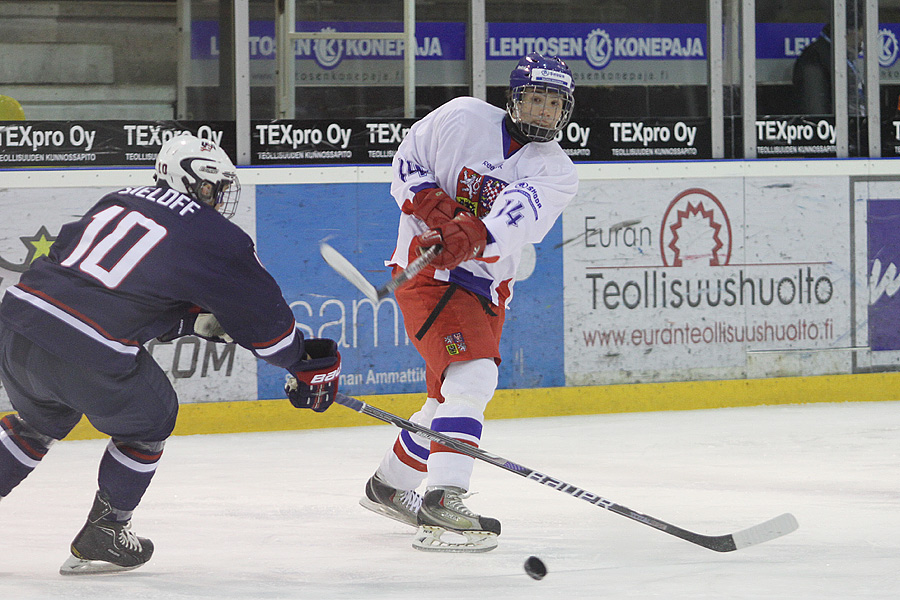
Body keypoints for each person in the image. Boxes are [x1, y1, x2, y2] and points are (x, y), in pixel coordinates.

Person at [0, 134, 341, 574]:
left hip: (17, 327)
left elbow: (100, 283)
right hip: (87, 349)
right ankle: (107, 530)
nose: (219, 200)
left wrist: (189, 323)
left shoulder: (117, 199)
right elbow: (270, 332)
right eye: (215, 188)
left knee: (36, 422)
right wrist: (304, 363)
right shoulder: (216, 235)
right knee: (151, 420)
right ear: (196, 183)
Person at [358, 52, 579, 552]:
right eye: (534, 99)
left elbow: (514, 219)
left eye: (553, 103)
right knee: (475, 376)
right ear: (514, 99)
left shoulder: (557, 171)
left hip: (488, 287)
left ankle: (389, 486)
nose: (543, 111)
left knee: (446, 399)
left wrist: (472, 232)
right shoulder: (461, 116)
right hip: (429, 275)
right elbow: (407, 161)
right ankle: (444, 497)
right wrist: (435, 208)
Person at [792, 7, 866, 117]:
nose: (863, 38)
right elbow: (815, 107)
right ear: (851, 31)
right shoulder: (815, 57)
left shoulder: (839, 55)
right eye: (862, 31)